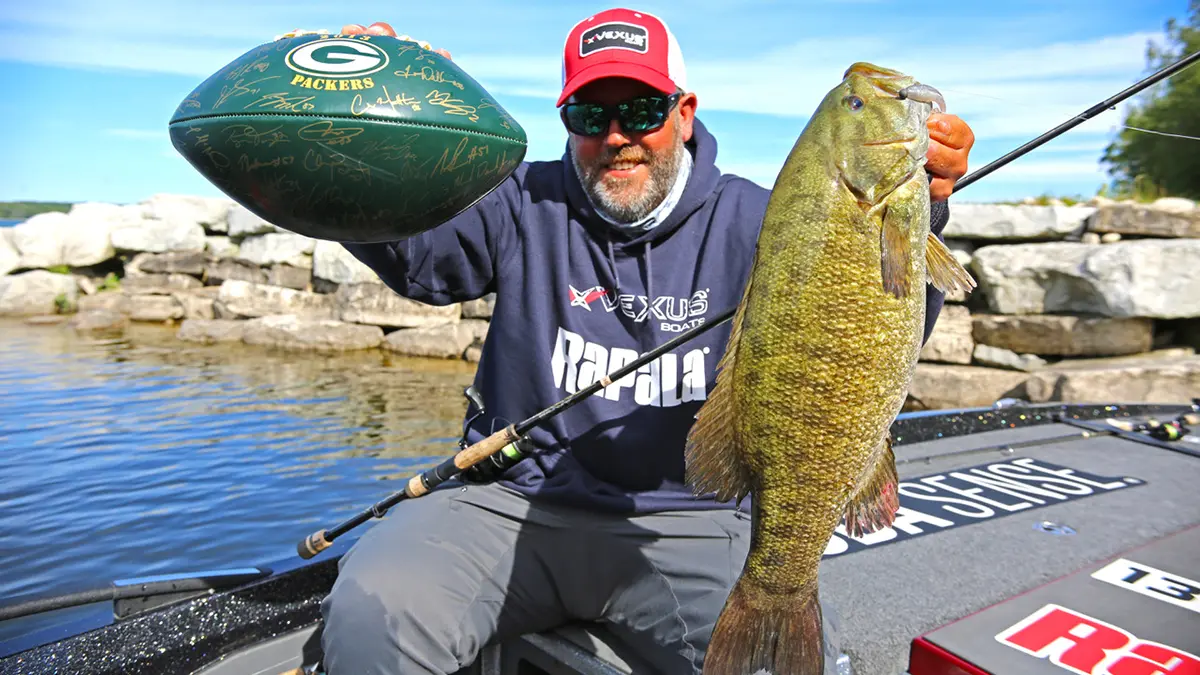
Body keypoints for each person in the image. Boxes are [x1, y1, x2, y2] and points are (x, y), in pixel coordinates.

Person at [303, 8, 975, 674]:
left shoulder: (762, 219)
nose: (617, 135)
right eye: (590, 117)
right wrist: (361, 129)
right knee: (370, 613)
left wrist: (927, 210)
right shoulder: (518, 199)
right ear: (566, 123)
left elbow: (864, 340)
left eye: (642, 110)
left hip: (691, 517)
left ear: (684, 112)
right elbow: (417, 255)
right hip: (506, 504)